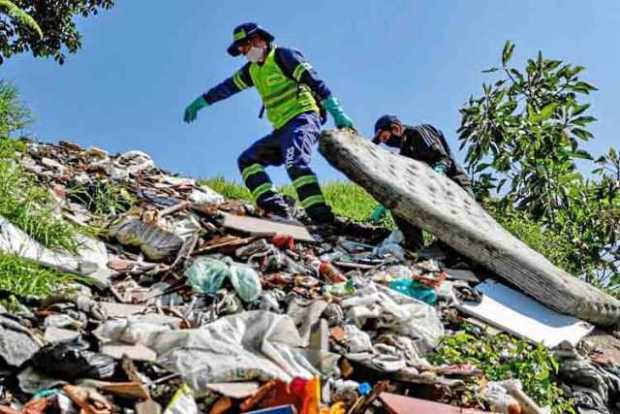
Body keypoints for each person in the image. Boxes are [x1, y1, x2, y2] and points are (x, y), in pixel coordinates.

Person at [183, 23, 354, 223]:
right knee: (247, 160)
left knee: (295, 163)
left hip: (303, 118)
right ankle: (276, 210)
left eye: (245, 46)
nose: (244, 52)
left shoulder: (284, 56)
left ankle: (322, 218)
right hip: (281, 129)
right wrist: (202, 102)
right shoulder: (251, 71)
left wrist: (338, 114)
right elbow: (227, 87)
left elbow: (315, 82)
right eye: (240, 50)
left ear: (259, 40)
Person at [370, 114, 472, 250]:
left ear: (395, 128)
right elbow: (405, 183)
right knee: (400, 208)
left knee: (467, 227)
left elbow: (444, 159)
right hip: (432, 190)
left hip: (454, 183)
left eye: (385, 138)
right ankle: (415, 248)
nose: (387, 143)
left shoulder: (420, 132)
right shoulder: (405, 154)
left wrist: (437, 172)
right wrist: (385, 204)